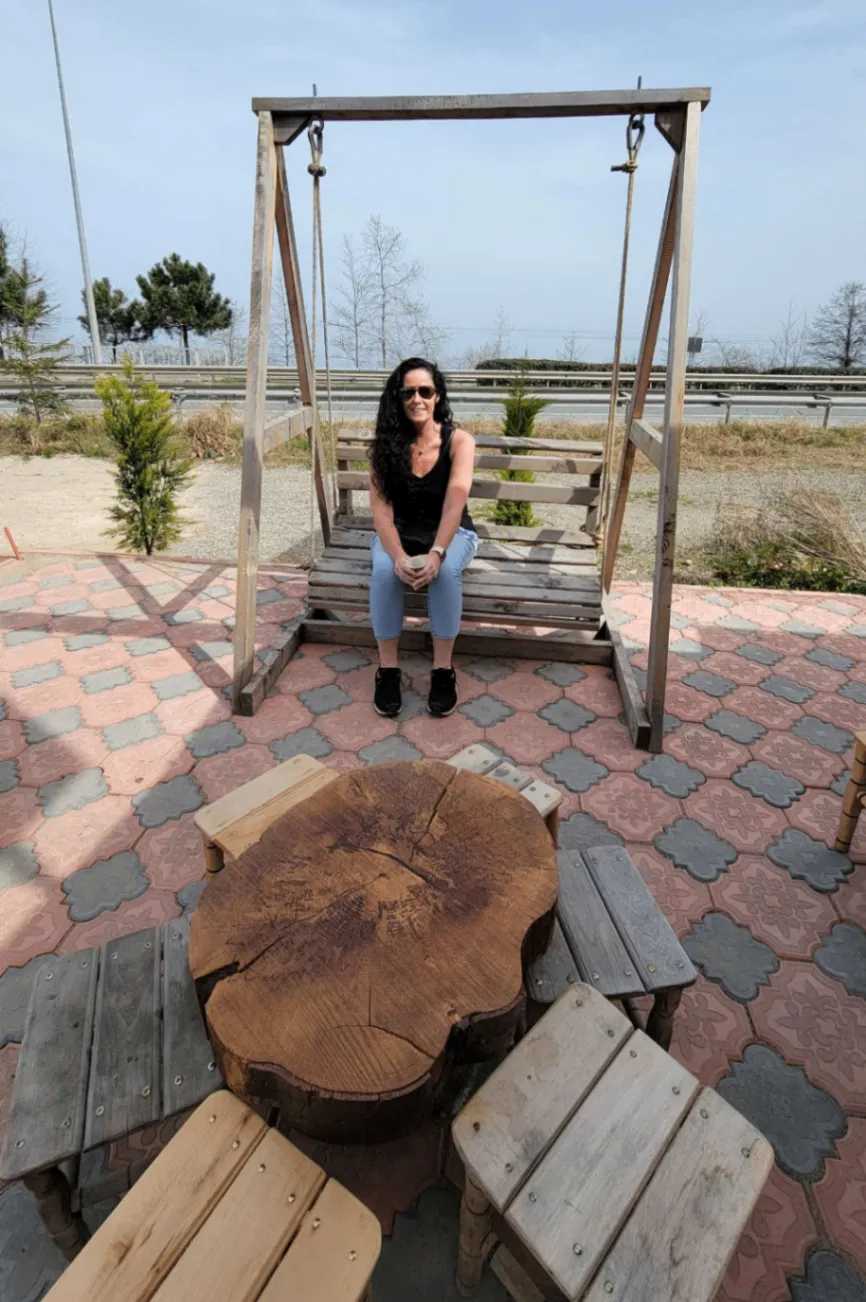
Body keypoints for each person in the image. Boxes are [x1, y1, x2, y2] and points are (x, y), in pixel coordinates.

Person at [368, 357, 477, 719]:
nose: (417, 398)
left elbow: (453, 506)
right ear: (397, 398)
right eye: (408, 392)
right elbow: (381, 514)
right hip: (398, 533)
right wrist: (398, 555)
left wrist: (437, 553)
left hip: (450, 532)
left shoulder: (459, 442)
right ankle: (388, 671)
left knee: (444, 574)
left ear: (438, 396)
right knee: (385, 572)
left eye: (425, 391)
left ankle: (443, 671)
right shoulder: (384, 446)